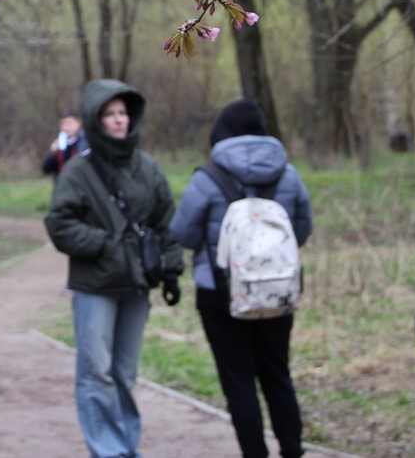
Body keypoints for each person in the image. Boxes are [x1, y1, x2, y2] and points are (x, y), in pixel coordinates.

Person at [45, 78, 184, 458]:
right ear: (95, 119)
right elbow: (59, 224)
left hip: (136, 285)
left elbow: (166, 222)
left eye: (123, 113)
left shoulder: (147, 168)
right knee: (96, 372)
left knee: (123, 372)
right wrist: (106, 245)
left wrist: (171, 270)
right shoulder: (79, 171)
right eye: (110, 114)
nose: (119, 120)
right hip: (95, 286)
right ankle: (108, 451)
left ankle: (125, 446)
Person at [169, 99, 313, 458]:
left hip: (219, 294)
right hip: (277, 291)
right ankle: (292, 451)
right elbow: (301, 230)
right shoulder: (289, 175)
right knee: (278, 375)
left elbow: (183, 234)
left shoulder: (207, 178)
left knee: (238, 383)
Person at [42, 109, 89, 179]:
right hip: (63, 184)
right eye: (62, 123)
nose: (65, 127)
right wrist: (53, 153)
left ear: (79, 123)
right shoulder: (59, 145)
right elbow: (46, 169)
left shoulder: (86, 142)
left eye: (69, 123)